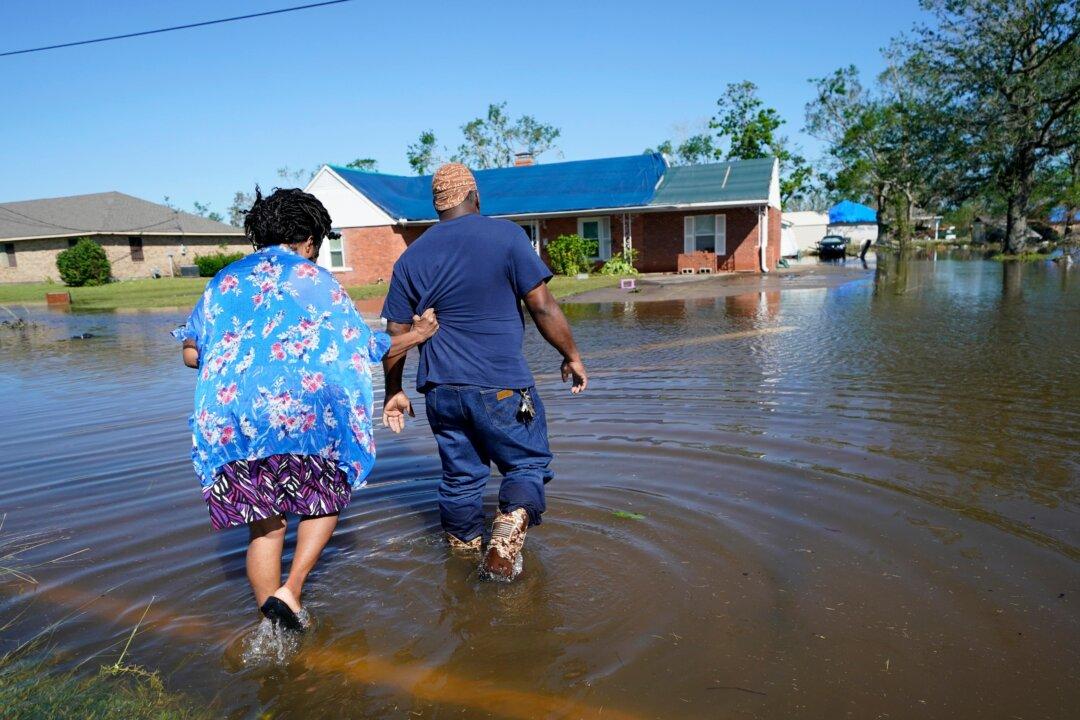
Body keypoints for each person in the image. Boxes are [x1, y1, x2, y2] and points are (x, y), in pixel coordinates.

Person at [173, 187, 438, 631]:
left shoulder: (223, 281)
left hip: (236, 423)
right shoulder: (315, 281)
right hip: (306, 418)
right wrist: (419, 334)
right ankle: (291, 590)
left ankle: (271, 626)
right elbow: (363, 346)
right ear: (311, 240)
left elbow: (191, 354)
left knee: (265, 525)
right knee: (325, 496)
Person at [380, 163, 587, 580]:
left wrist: (393, 390)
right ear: (475, 196)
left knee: (460, 478)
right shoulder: (506, 236)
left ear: (437, 205)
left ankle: (462, 559)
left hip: (440, 390)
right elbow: (542, 305)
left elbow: (396, 334)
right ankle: (506, 533)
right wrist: (571, 355)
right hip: (501, 385)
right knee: (526, 464)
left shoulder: (410, 257)